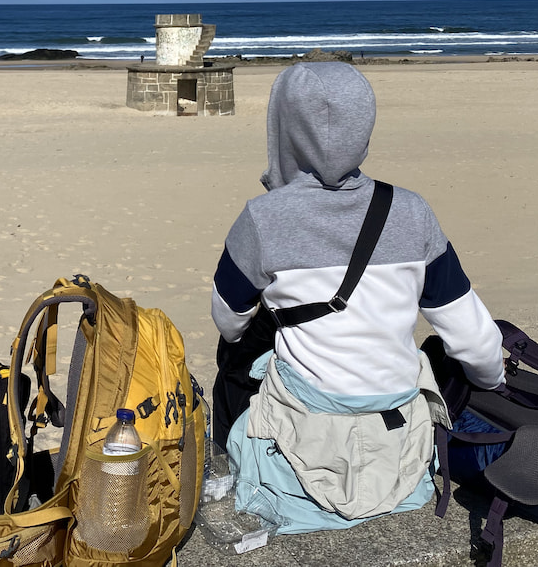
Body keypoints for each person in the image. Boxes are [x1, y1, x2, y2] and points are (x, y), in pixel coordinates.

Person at [210, 62, 504, 532]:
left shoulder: (263, 218)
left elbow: (228, 321)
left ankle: (229, 457)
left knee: (240, 348)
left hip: (306, 442)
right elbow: (475, 341)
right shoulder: (412, 211)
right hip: (399, 442)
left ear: (284, 131)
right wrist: (492, 381)